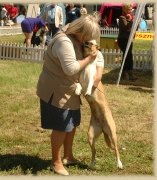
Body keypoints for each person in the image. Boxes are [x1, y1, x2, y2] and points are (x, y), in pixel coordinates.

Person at [36, 14, 103, 176]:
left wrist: (98, 73)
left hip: (70, 89)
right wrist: (89, 59)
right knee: (61, 127)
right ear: (80, 30)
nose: (88, 41)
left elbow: (98, 54)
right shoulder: (63, 41)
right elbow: (71, 69)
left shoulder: (78, 38)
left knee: (72, 124)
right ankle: (56, 162)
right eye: (87, 37)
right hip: (56, 90)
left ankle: (68, 156)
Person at [117, 3, 138, 81]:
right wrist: (130, 20)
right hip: (123, 40)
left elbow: (135, 28)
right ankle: (130, 74)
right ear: (125, 9)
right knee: (129, 56)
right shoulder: (122, 17)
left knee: (126, 56)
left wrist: (134, 21)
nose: (130, 10)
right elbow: (127, 28)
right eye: (129, 9)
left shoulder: (131, 17)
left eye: (131, 9)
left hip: (129, 39)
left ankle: (123, 72)